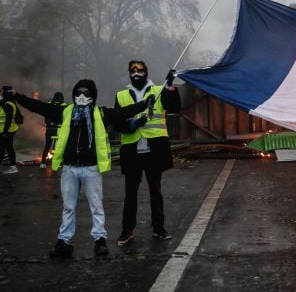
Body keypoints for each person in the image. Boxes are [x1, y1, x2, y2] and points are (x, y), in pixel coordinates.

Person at [9, 80, 148, 258]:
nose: (81, 97)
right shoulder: (66, 112)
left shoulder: (101, 113)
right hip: (69, 168)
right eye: (78, 93)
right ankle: (64, 241)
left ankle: (100, 240)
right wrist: (17, 96)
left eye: (86, 94)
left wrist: (144, 104)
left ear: (93, 96)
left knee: (96, 206)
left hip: (91, 169)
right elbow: (39, 106)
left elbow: (123, 113)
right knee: (68, 207)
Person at [115, 61, 180, 246]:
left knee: (156, 191)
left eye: (140, 69)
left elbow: (174, 108)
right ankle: (127, 230)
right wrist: (133, 124)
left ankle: (159, 228)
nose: (136, 73)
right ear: (129, 73)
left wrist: (170, 88)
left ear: (146, 72)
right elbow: (117, 122)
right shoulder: (121, 95)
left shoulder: (159, 90)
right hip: (131, 149)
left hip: (154, 149)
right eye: (133, 70)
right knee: (130, 193)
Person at [40, 91, 66, 168]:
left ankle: (42, 163)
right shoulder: (64, 106)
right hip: (59, 129)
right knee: (58, 147)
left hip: (49, 128)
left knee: (47, 146)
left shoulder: (49, 104)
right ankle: (57, 163)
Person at [0, 86, 20, 174]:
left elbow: (8, 119)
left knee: (6, 148)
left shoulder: (8, 104)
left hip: (7, 131)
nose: (1, 92)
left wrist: (5, 132)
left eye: (2, 90)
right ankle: (13, 166)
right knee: (5, 148)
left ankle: (13, 167)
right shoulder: (7, 102)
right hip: (8, 130)